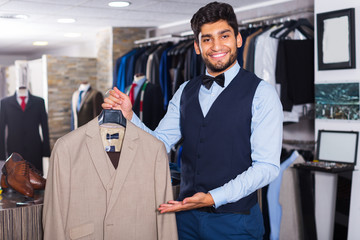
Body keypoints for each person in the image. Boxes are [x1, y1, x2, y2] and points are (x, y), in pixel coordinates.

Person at [102, 2, 283, 239]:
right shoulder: (185, 90)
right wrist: (129, 116)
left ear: (238, 39)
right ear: (197, 46)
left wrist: (212, 197)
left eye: (224, 36)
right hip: (185, 219)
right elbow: (159, 144)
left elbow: (267, 167)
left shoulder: (262, 93)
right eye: (207, 39)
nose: (216, 46)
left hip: (235, 222)